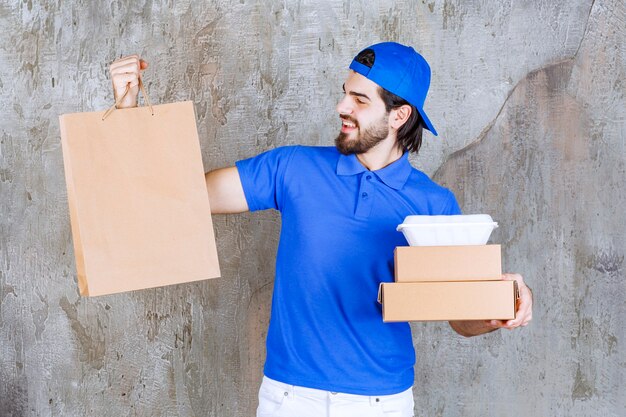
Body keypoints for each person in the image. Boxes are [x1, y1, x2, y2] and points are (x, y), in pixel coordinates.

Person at [109, 42, 533, 417]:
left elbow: (461, 319)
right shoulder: (293, 167)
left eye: (360, 100)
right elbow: (184, 197)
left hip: (381, 403)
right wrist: (129, 113)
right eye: (345, 93)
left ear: (399, 115)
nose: (342, 107)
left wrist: (501, 307)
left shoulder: (434, 204)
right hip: (290, 398)